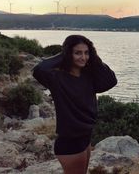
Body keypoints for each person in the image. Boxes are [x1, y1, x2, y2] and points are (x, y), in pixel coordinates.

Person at [32, 35, 117, 174]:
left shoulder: (88, 77)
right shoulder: (57, 79)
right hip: (70, 141)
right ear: (68, 53)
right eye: (78, 53)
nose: (83, 57)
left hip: (85, 136)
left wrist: (94, 57)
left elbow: (111, 80)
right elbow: (39, 69)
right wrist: (64, 54)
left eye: (86, 53)